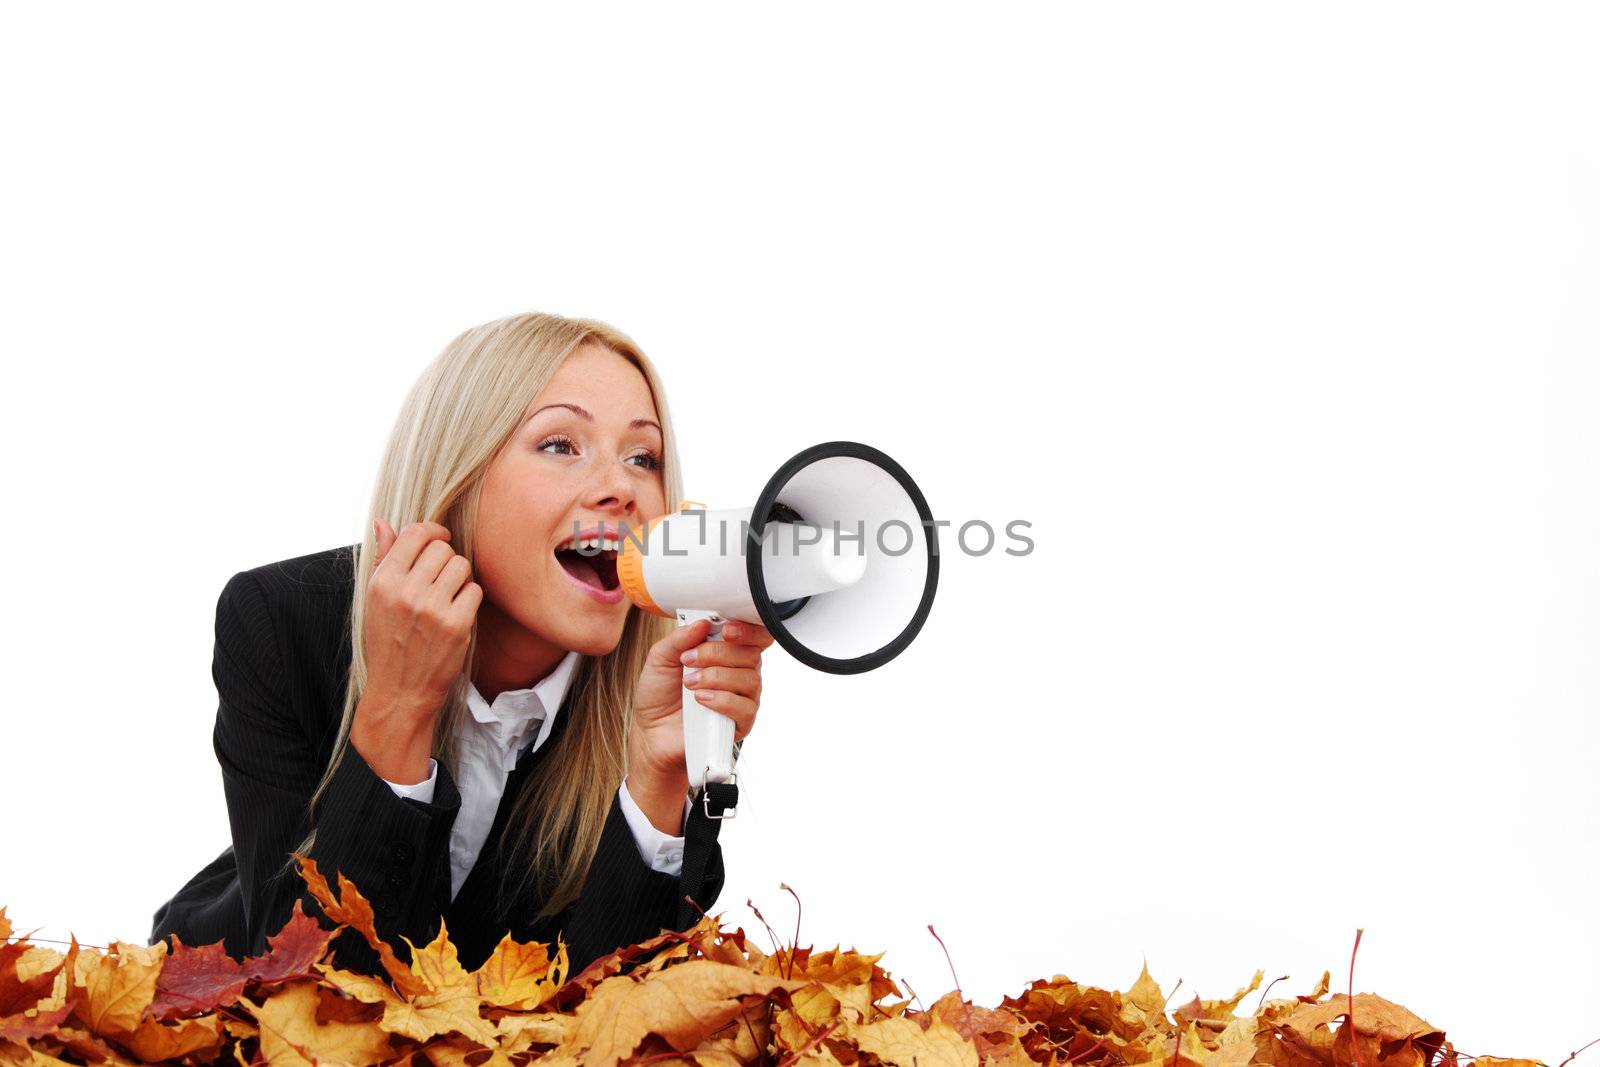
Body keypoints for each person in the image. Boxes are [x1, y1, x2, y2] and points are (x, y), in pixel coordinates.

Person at [149, 312, 771, 976]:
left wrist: (657, 781)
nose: (623, 487)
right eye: (561, 444)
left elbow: (614, 1027)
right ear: (460, 473)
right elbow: (309, 998)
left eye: (643, 457)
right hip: (218, 1004)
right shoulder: (279, 619)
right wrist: (398, 705)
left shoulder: (670, 697)